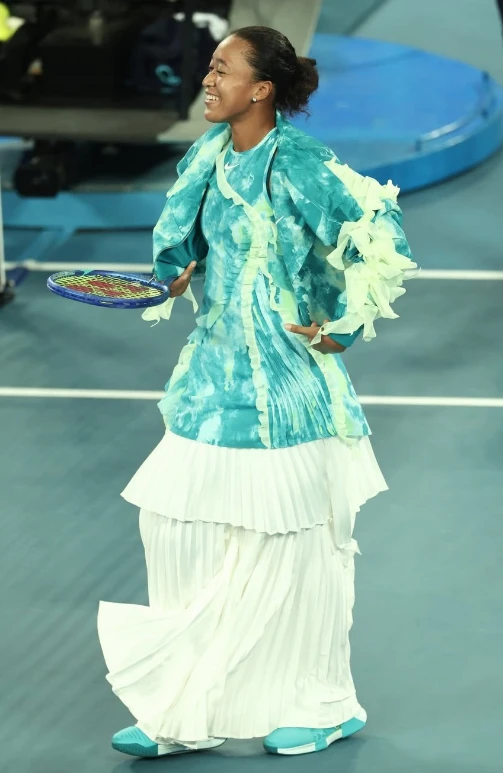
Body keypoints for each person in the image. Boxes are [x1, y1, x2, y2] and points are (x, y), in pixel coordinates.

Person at [97, 25, 416, 759]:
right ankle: (181, 705)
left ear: (260, 90)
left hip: (288, 395)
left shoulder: (299, 163)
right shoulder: (207, 159)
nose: (207, 81)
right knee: (177, 533)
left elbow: (379, 232)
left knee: (300, 553)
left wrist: (349, 320)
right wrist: (176, 271)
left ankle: (324, 701)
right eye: (209, 70)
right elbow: (183, 248)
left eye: (220, 69)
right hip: (209, 386)